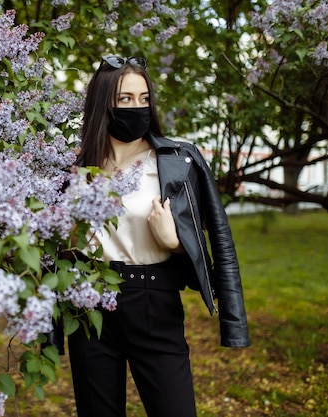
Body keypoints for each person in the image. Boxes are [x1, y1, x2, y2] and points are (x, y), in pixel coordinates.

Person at [65, 55, 251, 417]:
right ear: (104, 103)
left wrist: (176, 243)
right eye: (125, 99)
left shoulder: (177, 159)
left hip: (154, 300)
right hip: (87, 303)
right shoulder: (71, 166)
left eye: (144, 98)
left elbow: (222, 242)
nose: (138, 107)